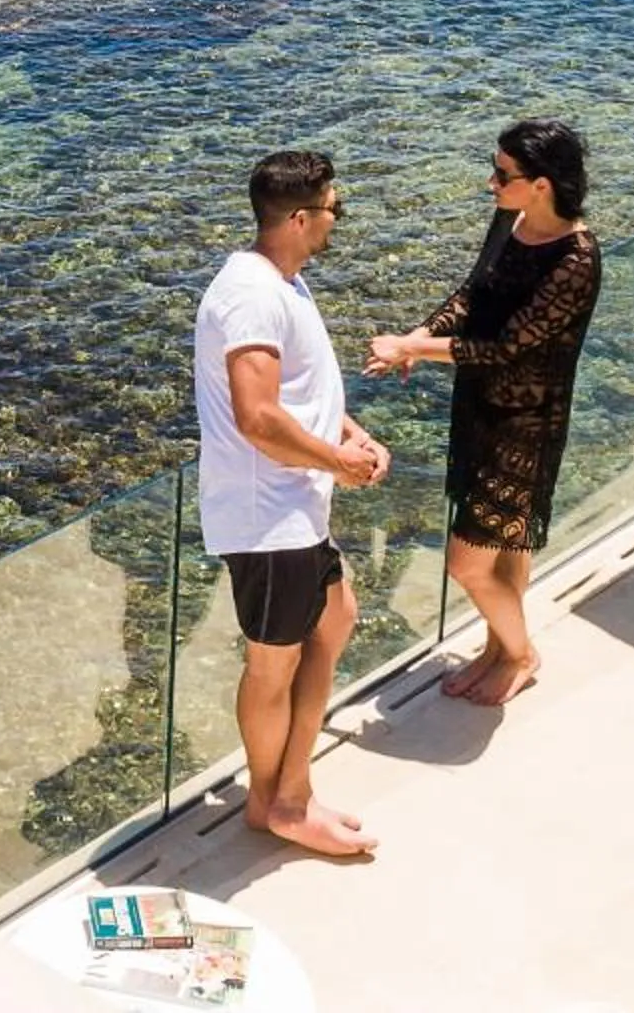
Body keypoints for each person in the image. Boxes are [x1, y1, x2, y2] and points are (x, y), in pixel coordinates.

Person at [195, 148, 393, 858]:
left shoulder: (284, 282)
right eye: (336, 210)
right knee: (271, 666)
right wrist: (338, 461)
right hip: (267, 517)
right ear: (302, 217)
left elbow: (301, 397)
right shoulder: (251, 294)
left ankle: (287, 789)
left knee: (336, 618)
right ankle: (277, 802)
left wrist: (352, 434)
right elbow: (257, 415)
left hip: (294, 510)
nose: (340, 222)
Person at [364, 117, 599, 707]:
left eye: (502, 175)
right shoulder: (512, 220)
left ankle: (521, 652)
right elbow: (475, 294)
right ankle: (498, 650)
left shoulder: (576, 260)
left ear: (541, 184)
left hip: (527, 426)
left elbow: (506, 348)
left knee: (468, 564)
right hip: (480, 410)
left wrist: (413, 348)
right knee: (508, 548)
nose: (491, 184)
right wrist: (419, 333)